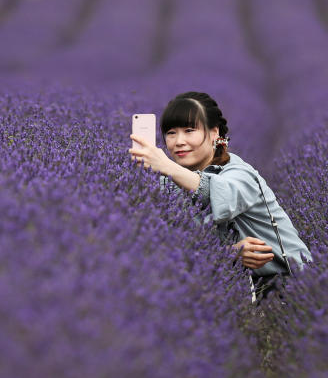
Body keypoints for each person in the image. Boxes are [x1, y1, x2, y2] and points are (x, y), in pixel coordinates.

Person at [128, 91, 312, 303]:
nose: (179, 141)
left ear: (214, 133)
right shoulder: (169, 183)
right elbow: (173, 246)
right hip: (237, 289)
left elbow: (219, 195)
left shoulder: (240, 173)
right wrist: (228, 254)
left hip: (289, 284)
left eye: (189, 130)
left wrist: (166, 166)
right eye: (171, 133)